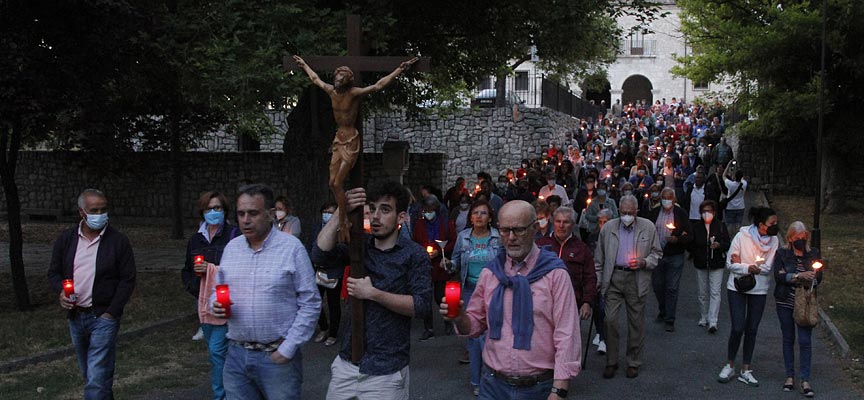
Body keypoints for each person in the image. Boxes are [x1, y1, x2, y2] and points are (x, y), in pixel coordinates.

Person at [442, 200, 581, 399]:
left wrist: (559, 390)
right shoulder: (491, 273)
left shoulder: (555, 274)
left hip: (538, 388)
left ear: (535, 228)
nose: (511, 237)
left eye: (519, 230)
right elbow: (474, 325)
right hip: (492, 385)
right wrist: (459, 317)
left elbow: (567, 333)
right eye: (505, 230)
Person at [311, 181, 432, 399]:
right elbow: (320, 255)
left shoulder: (414, 255)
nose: (375, 216)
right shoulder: (360, 246)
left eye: (385, 210)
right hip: (347, 363)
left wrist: (373, 293)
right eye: (373, 208)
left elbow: (421, 306)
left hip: (386, 371)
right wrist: (341, 211)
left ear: (401, 217)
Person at [211, 184, 321, 399]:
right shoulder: (232, 248)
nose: (245, 220)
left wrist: (289, 347)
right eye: (241, 213)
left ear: (270, 214)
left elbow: (310, 302)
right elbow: (218, 290)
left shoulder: (291, 248)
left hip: (277, 358)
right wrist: (215, 304)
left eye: (253, 213)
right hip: (236, 355)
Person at [293, 54, 418, 242]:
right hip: (338, 139)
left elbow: (378, 86)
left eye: (341, 79)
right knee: (332, 183)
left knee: (337, 182)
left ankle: (343, 219)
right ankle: (342, 218)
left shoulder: (353, 93)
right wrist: (303, 65)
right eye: (336, 78)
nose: (337, 81)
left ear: (347, 80)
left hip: (351, 139)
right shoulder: (331, 91)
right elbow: (315, 79)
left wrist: (399, 70)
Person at [48, 189, 136, 399]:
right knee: (91, 374)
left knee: (96, 376)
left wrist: (111, 312)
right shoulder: (67, 239)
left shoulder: (118, 241)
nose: (100, 215)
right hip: (77, 316)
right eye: (94, 210)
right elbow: (54, 272)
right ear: (82, 212)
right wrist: (61, 291)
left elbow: (127, 279)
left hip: (103, 317)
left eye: (103, 210)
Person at [594, 195, 662, 379]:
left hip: (636, 278)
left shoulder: (648, 227)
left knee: (636, 323)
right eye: (623, 212)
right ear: (618, 210)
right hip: (613, 277)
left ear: (636, 212)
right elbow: (599, 257)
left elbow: (657, 253)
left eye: (630, 213)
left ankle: (633, 361)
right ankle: (611, 360)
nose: (627, 216)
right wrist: (598, 279)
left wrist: (644, 262)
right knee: (609, 320)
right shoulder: (608, 228)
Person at [181, 191, 237, 400]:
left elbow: (238, 268)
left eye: (217, 208)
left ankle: (221, 395)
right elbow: (187, 269)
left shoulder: (233, 235)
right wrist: (194, 287)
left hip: (225, 302)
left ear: (224, 210)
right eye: (208, 209)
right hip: (204, 304)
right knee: (219, 354)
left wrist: (212, 269)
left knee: (216, 351)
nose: (213, 212)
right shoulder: (196, 239)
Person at [718, 206, 779, 387]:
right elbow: (730, 263)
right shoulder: (741, 236)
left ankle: (746, 368)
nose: (775, 226)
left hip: (759, 290)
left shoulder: (774, 241)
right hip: (737, 287)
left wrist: (744, 264)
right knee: (738, 327)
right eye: (772, 223)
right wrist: (747, 267)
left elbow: (768, 267)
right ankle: (730, 364)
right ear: (761, 224)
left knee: (752, 328)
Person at [450, 200, 503, 396]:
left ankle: (491, 377)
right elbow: (455, 261)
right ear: (470, 217)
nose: (479, 216)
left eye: (483, 213)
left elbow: (505, 262)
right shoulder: (463, 237)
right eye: (475, 213)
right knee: (473, 337)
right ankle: (476, 381)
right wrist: (449, 265)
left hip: (494, 290)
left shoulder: (497, 238)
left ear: (490, 218)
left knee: (491, 335)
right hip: (470, 290)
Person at [773, 221, 823, 397]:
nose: (801, 240)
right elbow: (778, 276)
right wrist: (798, 275)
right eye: (797, 238)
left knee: (804, 340)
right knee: (788, 338)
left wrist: (812, 277)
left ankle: (805, 379)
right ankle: (789, 376)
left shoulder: (813, 253)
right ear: (790, 238)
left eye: (803, 237)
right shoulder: (782, 254)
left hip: (805, 302)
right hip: (785, 300)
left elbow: (819, 277)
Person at [535, 207, 597, 332]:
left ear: (573, 225)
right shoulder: (540, 245)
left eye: (566, 222)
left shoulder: (581, 249)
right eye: (558, 221)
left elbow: (590, 277)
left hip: (571, 303)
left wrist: (587, 302)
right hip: (542, 303)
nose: (561, 226)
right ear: (553, 222)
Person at [648, 187, 693, 332]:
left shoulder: (680, 214)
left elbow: (689, 235)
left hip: (675, 255)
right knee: (657, 285)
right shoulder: (655, 212)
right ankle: (663, 309)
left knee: (672, 287)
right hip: (657, 254)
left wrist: (678, 239)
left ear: (674, 200)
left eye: (669, 198)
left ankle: (670, 318)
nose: (666, 201)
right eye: (664, 198)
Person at [413, 195, 456, 341]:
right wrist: (422, 252)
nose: (427, 213)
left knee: (440, 296)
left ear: (436, 209)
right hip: (424, 266)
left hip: (440, 265)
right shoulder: (419, 225)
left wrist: (439, 251)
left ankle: (448, 321)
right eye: (425, 210)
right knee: (425, 297)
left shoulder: (445, 223)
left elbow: (452, 241)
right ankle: (428, 328)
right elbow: (415, 242)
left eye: (430, 210)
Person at [690, 200, 730, 333]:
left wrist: (719, 245)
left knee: (715, 291)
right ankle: (704, 315)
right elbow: (691, 244)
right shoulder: (696, 227)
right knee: (702, 292)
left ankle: (713, 320)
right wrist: (697, 252)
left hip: (717, 263)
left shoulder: (720, 226)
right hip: (701, 263)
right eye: (704, 211)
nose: (706, 214)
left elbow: (727, 243)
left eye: (709, 211)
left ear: (714, 212)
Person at [312, 202, 343, 347]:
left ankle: (333, 333)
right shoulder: (317, 227)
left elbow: (341, 251)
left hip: (333, 271)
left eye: (331, 212)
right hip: (318, 270)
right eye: (325, 211)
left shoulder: (341, 229)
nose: (327, 214)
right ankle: (323, 328)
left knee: (333, 304)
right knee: (315, 302)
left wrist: (327, 259)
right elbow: (312, 245)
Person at [723, 161, 747, 234]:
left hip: (730, 207)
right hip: (740, 207)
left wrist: (728, 164)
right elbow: (742, 178)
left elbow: (724, 175)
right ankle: (737, 237)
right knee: (738, 225)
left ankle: (729, 238)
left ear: (734, 177)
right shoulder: (744, 184)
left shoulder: (730, 184)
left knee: (729, 225)